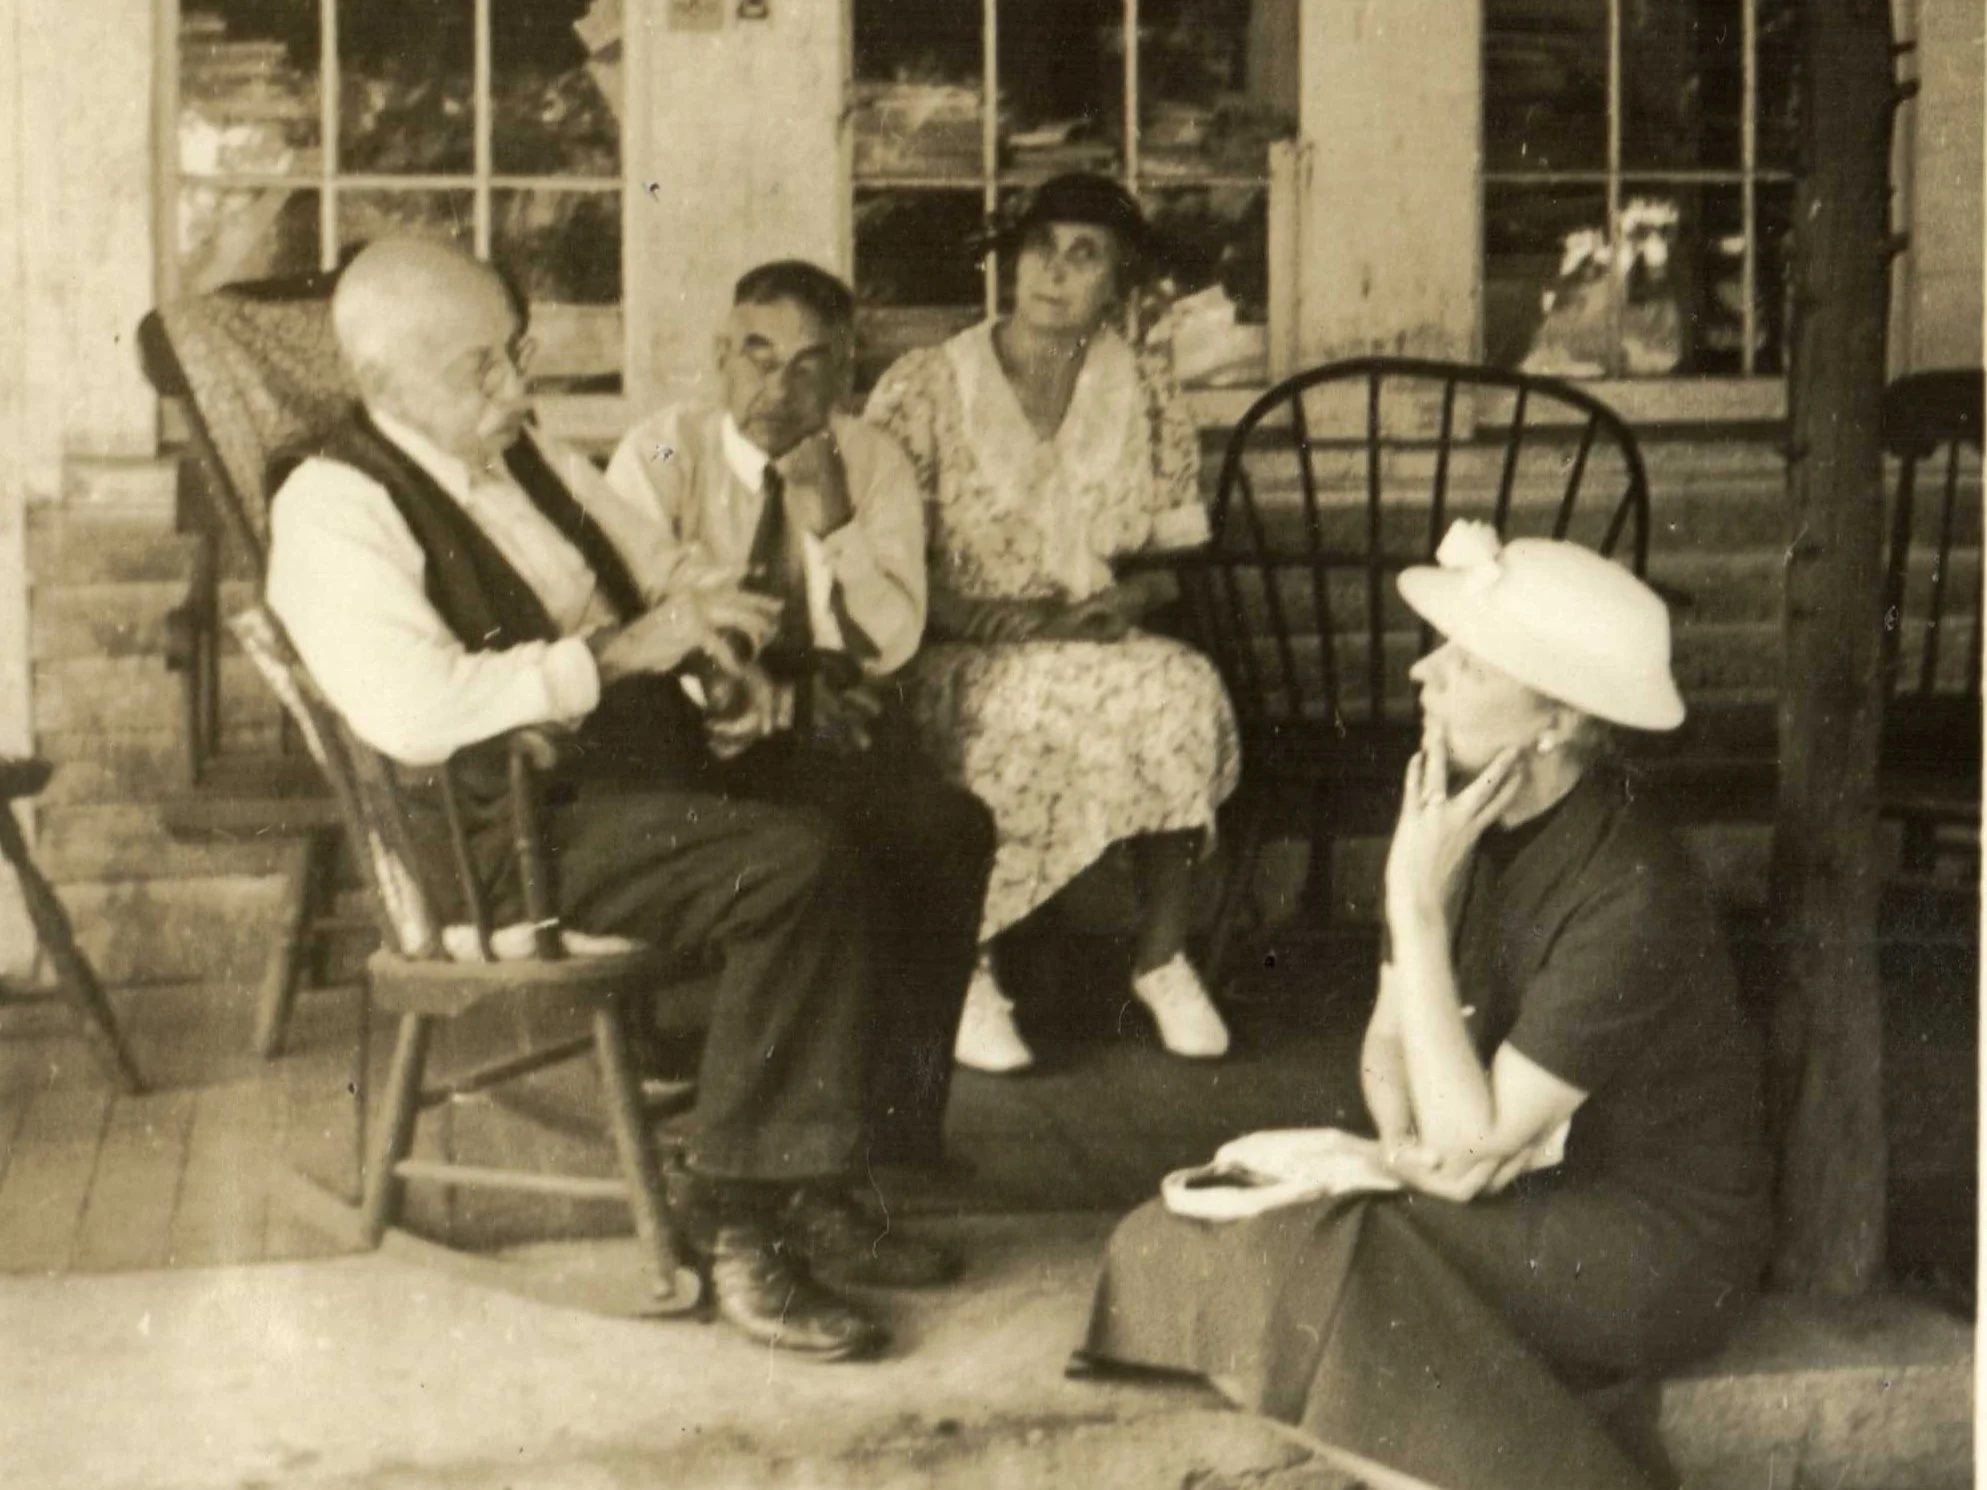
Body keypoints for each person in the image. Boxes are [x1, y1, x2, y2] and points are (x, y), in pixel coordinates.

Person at [265, 237, 951, 1363]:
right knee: (796, 864)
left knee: (933, 824)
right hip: (497, 835)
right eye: (480, 367)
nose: (514, 385)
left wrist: (715, 639)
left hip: (625, 772)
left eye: (514, 352)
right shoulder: (334, 506)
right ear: (383, 380)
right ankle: (742, 1220)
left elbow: (657, 563)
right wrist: (622, 655)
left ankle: (830, 1170)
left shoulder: (518, 451)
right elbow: (417, 710)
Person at [1080, 523, 1773, 1489]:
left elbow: (1470, 1140)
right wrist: (1399, 1155)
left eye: (1467, 664)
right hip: (1509, 1191)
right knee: (1176, 1235)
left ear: (1555, 721)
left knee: (1314, 1261)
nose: (1423, 674)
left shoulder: (1631, 888)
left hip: (1648, 1242)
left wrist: (1414, 905)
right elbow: (1389, 1057)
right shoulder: (1461, 817)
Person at [606, 259, 996, 1175]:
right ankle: (724, 1091)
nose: (778, 389)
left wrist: (834, 525)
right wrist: (732, 680)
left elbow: (890, 641)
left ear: (843, 374)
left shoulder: (872, 460)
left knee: (947, 828)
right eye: (757, 354)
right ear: (720, 355)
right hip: (685, 721)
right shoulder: (661, 450)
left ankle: (896, 1133)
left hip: (827, 710)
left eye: (809, 364)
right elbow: (626, 616)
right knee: (801, 841)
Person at [865, 173, 1241, 1074]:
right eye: (1039, 248)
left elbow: (1175, 553)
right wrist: (957, 608)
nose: (1054, 271)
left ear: (1120, 281)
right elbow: (868, 542)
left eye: (1084, 255)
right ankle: (969, 964)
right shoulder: (928, 382)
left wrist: (1128, 601)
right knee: (1010, 714)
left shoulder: (1144, 385)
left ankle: (1161, 958)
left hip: (1088, 635)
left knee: (1182, 688)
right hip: (959, 641)